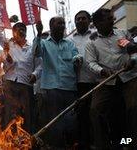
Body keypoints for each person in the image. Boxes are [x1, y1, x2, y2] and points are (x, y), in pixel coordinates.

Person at [85, 8, 137, 149]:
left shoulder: (122, 34)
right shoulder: (92, 43)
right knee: (95, 110)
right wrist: (102, 71)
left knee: (133, 108)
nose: (113, 20)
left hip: (129, 78)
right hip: (107, 82)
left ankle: (131, 143)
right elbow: (91, 63)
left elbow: (133, 50)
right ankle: (104, 145)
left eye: (112, 18)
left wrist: (133, 60)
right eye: (109, 19)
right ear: (97, 23)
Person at [35, 17, 81, 148]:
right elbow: (36, 52)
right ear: (51, 25)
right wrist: (38, 34)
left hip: (69, 87)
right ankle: (57, 146)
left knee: (71, 119)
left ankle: (72, 144)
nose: (62, 25)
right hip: (52, 88)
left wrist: (78, 59)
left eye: (63, 23)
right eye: (59, 23)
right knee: (55, 120)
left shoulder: (70, 43)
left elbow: (76, 55)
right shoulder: (44, 43)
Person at [0, 22, 42, 135]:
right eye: (17, 29)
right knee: (10, 114)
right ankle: (10, 141)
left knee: (27, 115)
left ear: (26, 32)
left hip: (26, 84)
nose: (20, 31)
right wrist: (6, 21)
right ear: (13, 32)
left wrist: (35, 74)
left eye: (23, 29)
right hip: (10, 83)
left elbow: (40, 64)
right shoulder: (8, 44)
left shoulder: (32, 47)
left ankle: (25, 142)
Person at [66, 10, 96, 149]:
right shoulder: (70, 40)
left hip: (99, 81)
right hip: (80, 82)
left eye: (83, 18)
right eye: (77, 19)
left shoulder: (96, 35)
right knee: (83, 115)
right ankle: (85, 144)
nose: (80, 21)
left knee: (98, 113)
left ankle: (104, 141)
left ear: (89, 20)